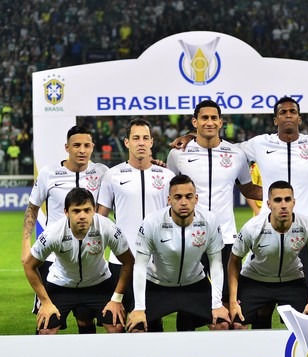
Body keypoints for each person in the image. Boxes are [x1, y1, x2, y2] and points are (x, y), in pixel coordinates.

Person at [166, 100, 262, 330]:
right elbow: (166, 194)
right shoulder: (178, 154)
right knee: (189, 311)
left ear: (221, 122)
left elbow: (247, 189)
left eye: (213, 118)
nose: (209, 122)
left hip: (226, 240)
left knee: (232, 318)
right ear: (194, 122)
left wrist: (280, 190)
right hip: (188, 240)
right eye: (204, 118)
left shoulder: (236, 154)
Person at [237, 96, 308, 326]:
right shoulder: (260, 144)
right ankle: (265, 353)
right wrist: (267, 197)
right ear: (275, 119)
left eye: (292, 111)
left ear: (299, 118)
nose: (288, 115)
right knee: (263, 306)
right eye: (283, 112)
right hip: (268, 232)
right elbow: (226, 152)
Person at [22, 125, 109, 333]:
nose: (82, 150)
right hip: (53, 259)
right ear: (67, 147)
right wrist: (25, 244)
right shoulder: (49, 173)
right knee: (48, 322)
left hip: (89, 258)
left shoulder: (103, 173)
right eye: (76, 145)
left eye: (86, 145)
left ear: (92, 147)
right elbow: (32, 209)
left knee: (85, 320)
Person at [125, 174, 230, 332]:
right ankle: (155, 330)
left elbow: (216, 263)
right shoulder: (152, 222)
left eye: (188, 197)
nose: (183, 202)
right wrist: (139, 308)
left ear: (196, 198)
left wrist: (217, 304)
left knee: (222, 323)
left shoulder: (209, 220)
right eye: (178, 197)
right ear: (169, 200)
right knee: (136, 328)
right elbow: (140, 265)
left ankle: (198, 353)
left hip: (194, 283)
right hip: (157, 284)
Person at [22, 187, 134, 334]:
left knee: (116, 326)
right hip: (61, 284)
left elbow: (128, 261)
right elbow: (29, 265)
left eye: (87, 210)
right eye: (76, 211)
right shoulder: (53, 233)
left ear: (94, 210)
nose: (82, 216)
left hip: (98, 283)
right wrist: (45, 302)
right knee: (46, 329)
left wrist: (116, 299)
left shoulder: (107, 227)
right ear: (66, 212)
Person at [97, 118, 175, 314]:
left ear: (151, 142)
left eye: (145, 138)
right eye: (136, 138)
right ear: (127, 142)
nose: (141, 142)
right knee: (117, 322)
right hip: (121, 260)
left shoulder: (166, 176)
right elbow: (100, 219)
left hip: (156, 262)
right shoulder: (112, 175)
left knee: (152, 321)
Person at [227, 180, 308, 329]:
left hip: (292, 280)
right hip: (255, 279)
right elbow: (234, 261)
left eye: (287, 199)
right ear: (268, 204)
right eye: (277, 200)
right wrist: (233, 302)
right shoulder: (252, 228)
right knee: (236, 323)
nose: (283, 205)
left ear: (294, 202)